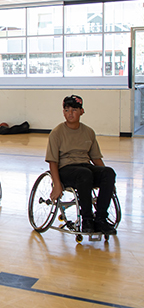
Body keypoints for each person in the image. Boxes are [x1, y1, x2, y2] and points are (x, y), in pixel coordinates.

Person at [45, 95, 117, 235]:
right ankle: (87, 219)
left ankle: (101, 219)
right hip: (66, 169)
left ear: (82, 111)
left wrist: (108, 181)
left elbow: (96, 159)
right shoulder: (57, 133)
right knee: (85, 174)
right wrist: (57, 184)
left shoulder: (88, 132)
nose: (70, 113)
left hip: (85, 167)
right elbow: (53, 162)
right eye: (66, 110)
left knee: (108, 172)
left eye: (74, 110)